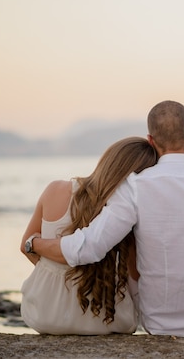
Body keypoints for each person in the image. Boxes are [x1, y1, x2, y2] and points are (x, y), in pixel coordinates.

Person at [30, 100, 184, 337]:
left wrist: (36, 243)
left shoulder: (135, 188)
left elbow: (89, 247)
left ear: (151, 140)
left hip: (158, 322)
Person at [19, 136, 157, 335]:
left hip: (45, 313)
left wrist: (65, 279)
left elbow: (26, 246)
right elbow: (134, 277)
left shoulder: (55, 190)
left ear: (108, 161)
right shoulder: (128, 214)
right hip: (106, 319)